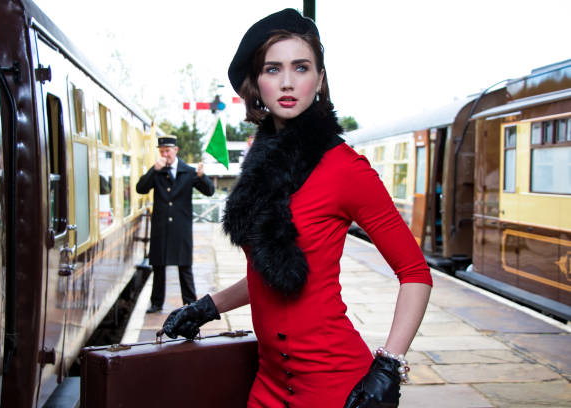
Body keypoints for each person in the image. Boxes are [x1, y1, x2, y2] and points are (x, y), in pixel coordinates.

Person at [160, 8, 432, 407]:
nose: (287, 82)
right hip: (269, 384)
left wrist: (389, 366)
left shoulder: (346, 168)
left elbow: (415, 273)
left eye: (301, 67)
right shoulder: (259, 165)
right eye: (273, 69)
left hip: (336, 386)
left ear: (319, 79)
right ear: (257, 84)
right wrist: (208, 307)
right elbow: (266, 274)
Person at [136, 135, 215, 313]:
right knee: (158, 266)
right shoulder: (158, 170)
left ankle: (190, 303)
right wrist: (153, 171)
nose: (165, 155)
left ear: (176, 151)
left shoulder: (188, 171)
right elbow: (140, 188)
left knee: (184, 267)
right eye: (162, 151)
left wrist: (202, 177)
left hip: (181, 228)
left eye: (168, 151)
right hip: (160, 228)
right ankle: (156, 303)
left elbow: (209, 191)